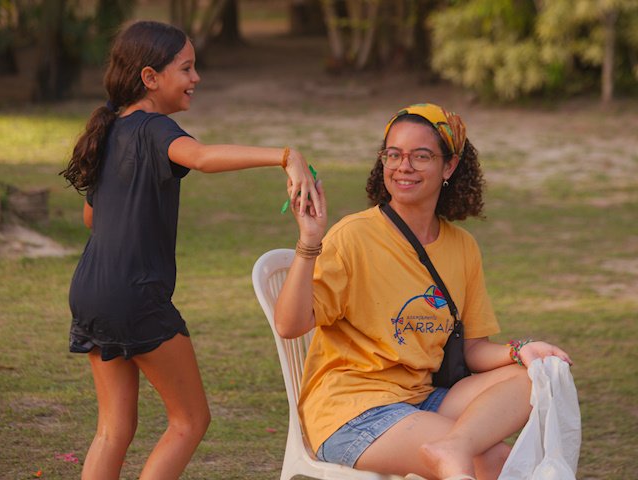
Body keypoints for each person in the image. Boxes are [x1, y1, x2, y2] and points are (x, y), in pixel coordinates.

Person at [60, 20, 321, 480]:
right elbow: (201, 158)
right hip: (136, 295)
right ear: (150, 77)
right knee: (190, 420)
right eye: (186, 68)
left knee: (113, 429)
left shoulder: (109, 130)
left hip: (90, 291)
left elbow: (91, 218)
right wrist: (285, 156)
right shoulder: (155, 128)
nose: (195, 78)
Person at [273, 103, 572, 480]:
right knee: (492, 462)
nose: (404, 166)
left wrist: (521, 350)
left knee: (537, 376)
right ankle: (454, 448)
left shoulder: (462, 247)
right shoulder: (353, 236)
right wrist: (309, 241)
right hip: (352, 409)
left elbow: (473, 350)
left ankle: (454, 445)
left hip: (422, 397)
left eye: (421, 156)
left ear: (449, 166)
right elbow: (289, 325)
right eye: (393, 154)